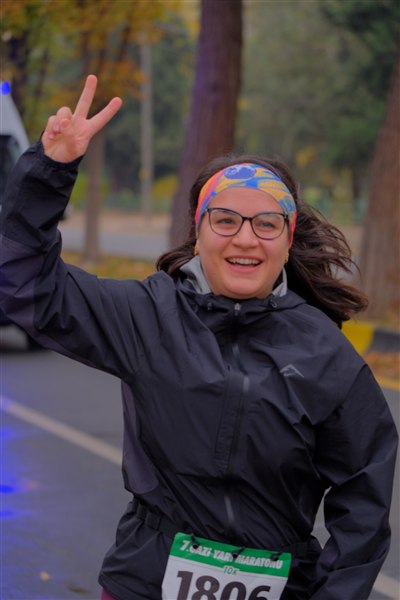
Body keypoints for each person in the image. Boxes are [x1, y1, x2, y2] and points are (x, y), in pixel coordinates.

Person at [0, 75, 397, 600]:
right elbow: (23, 283)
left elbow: (364, 500)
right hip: (145, 583)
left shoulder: (325, 352)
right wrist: (49, 171)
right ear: (199, 230)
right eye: (225, 220)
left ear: (287, 237)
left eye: (266, 224)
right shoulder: (147, 314)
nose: (245, 239)